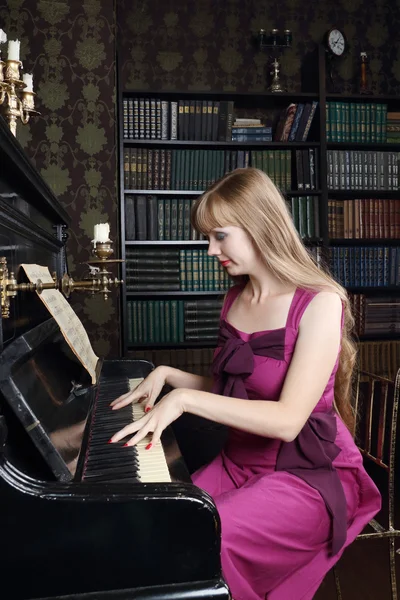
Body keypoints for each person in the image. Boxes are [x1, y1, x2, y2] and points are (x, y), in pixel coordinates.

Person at [109, 168, 381, 600]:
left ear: (258, 226)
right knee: (162, 524)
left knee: (215, 535)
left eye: (219, 235)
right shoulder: (234, 299)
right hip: (238, 463)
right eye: (207, 237)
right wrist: (166, 377)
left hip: (304, 474)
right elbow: (235, 391)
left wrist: (183, 399)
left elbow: (288, 420)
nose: (209, 248)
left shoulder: (320, 302)